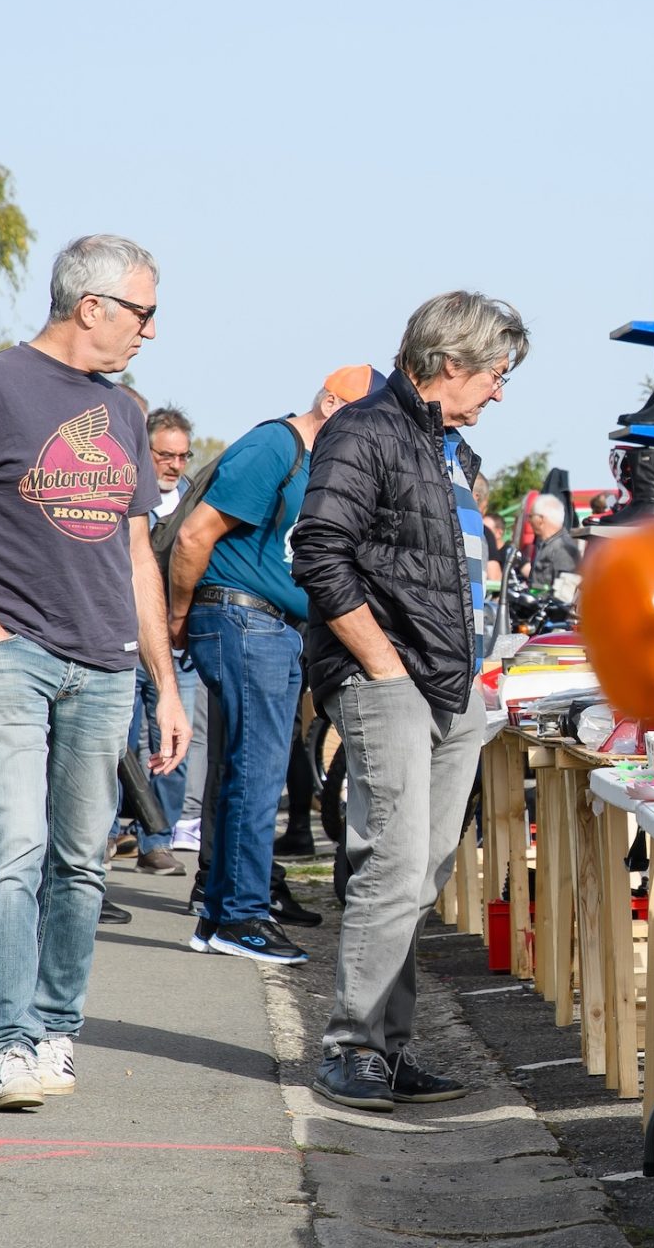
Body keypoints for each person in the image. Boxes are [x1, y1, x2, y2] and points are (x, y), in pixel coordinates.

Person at [0, 233, 188, 1113]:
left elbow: (138, 553)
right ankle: (7, 1043)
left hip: (107, 668)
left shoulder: (127, 412)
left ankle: (57, 1028)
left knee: (83, 864)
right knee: (13, 849)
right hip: (12, 660)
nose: (151, 330)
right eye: (143, 311)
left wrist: (164, 684)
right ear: (91, 306)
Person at [293, 291, 527, 1111]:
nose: (501, 390)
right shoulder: (367, 430)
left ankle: (387, 1050)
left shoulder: (446, 448)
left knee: (420, 870)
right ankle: (351, 1046)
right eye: (497, 373)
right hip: (390, 677)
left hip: (448, 683)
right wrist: (384, 668)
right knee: (392, 863)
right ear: (451, 362)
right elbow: (319, 554)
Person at [165, 368, 368, 963]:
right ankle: (242, 916)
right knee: (255, 772)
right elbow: (194, 536)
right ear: (329, 402)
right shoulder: (276, 446)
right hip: (242, 618)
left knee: (245, 771)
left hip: (269, 625)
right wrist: (177, 618)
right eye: (357, 418)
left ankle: (222, 914)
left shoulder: (309, 461)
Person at [123, 404, 198, 877]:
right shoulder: (127, 495)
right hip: (125, 641)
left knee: (173, 745)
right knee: (119, 743)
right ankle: (112, 833)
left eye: (183, 456)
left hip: (175, 647)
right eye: (165, 455)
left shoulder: (194, 501)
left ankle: (158, 838)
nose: (174, 465)